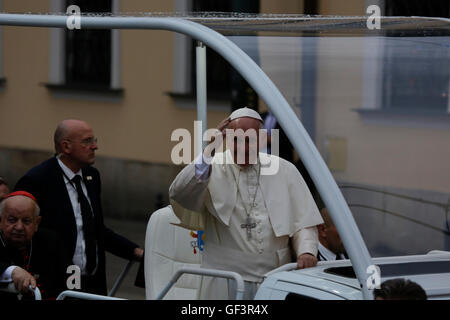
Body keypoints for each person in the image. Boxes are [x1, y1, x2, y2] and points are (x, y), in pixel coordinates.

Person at [169, 107, 323, 299]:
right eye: (236, 139)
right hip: (223, 280)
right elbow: (180, 193)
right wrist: (209, 150)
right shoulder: (210, 166)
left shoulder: (285, 170)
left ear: (261, 139)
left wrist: (306, 251)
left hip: (274, 279)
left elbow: (303, 220)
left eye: (250, 139)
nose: (243, 146)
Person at [14, 119, 144, 295]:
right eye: (87, 141)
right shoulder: (37, 180)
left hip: (92, 281)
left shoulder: (92, 176)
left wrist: (136, 252)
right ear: (66, 147)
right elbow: (19, 232)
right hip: (55, 284)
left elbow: (96, 229)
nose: (95, 146)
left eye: (94, 140)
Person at [0, 191, 70, 300]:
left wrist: (73, 294)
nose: (19, 227)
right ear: (0, 220)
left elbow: (71, 274)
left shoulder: (51, 240)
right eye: (12, 220)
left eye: (26, 221)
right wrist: (12, 271)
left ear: (37, 223)